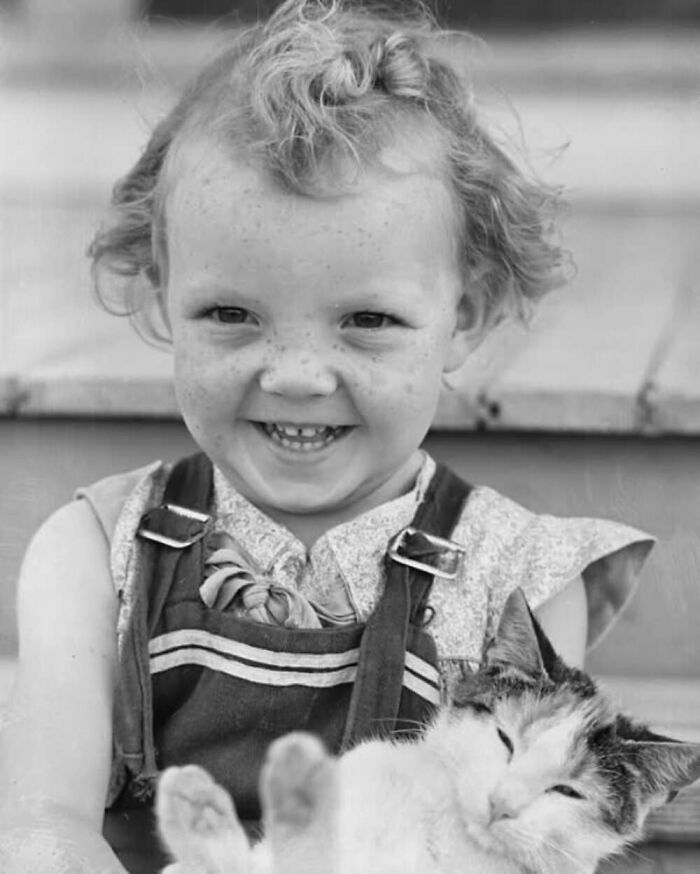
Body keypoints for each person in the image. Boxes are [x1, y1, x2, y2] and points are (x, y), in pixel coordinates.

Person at [0, 1, 654, 872]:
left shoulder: (515, 583)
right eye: (231, 313)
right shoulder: (93, 553)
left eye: (368, 320)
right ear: (160, 296)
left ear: (466, 317)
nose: (298, 374)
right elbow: (46, 831)